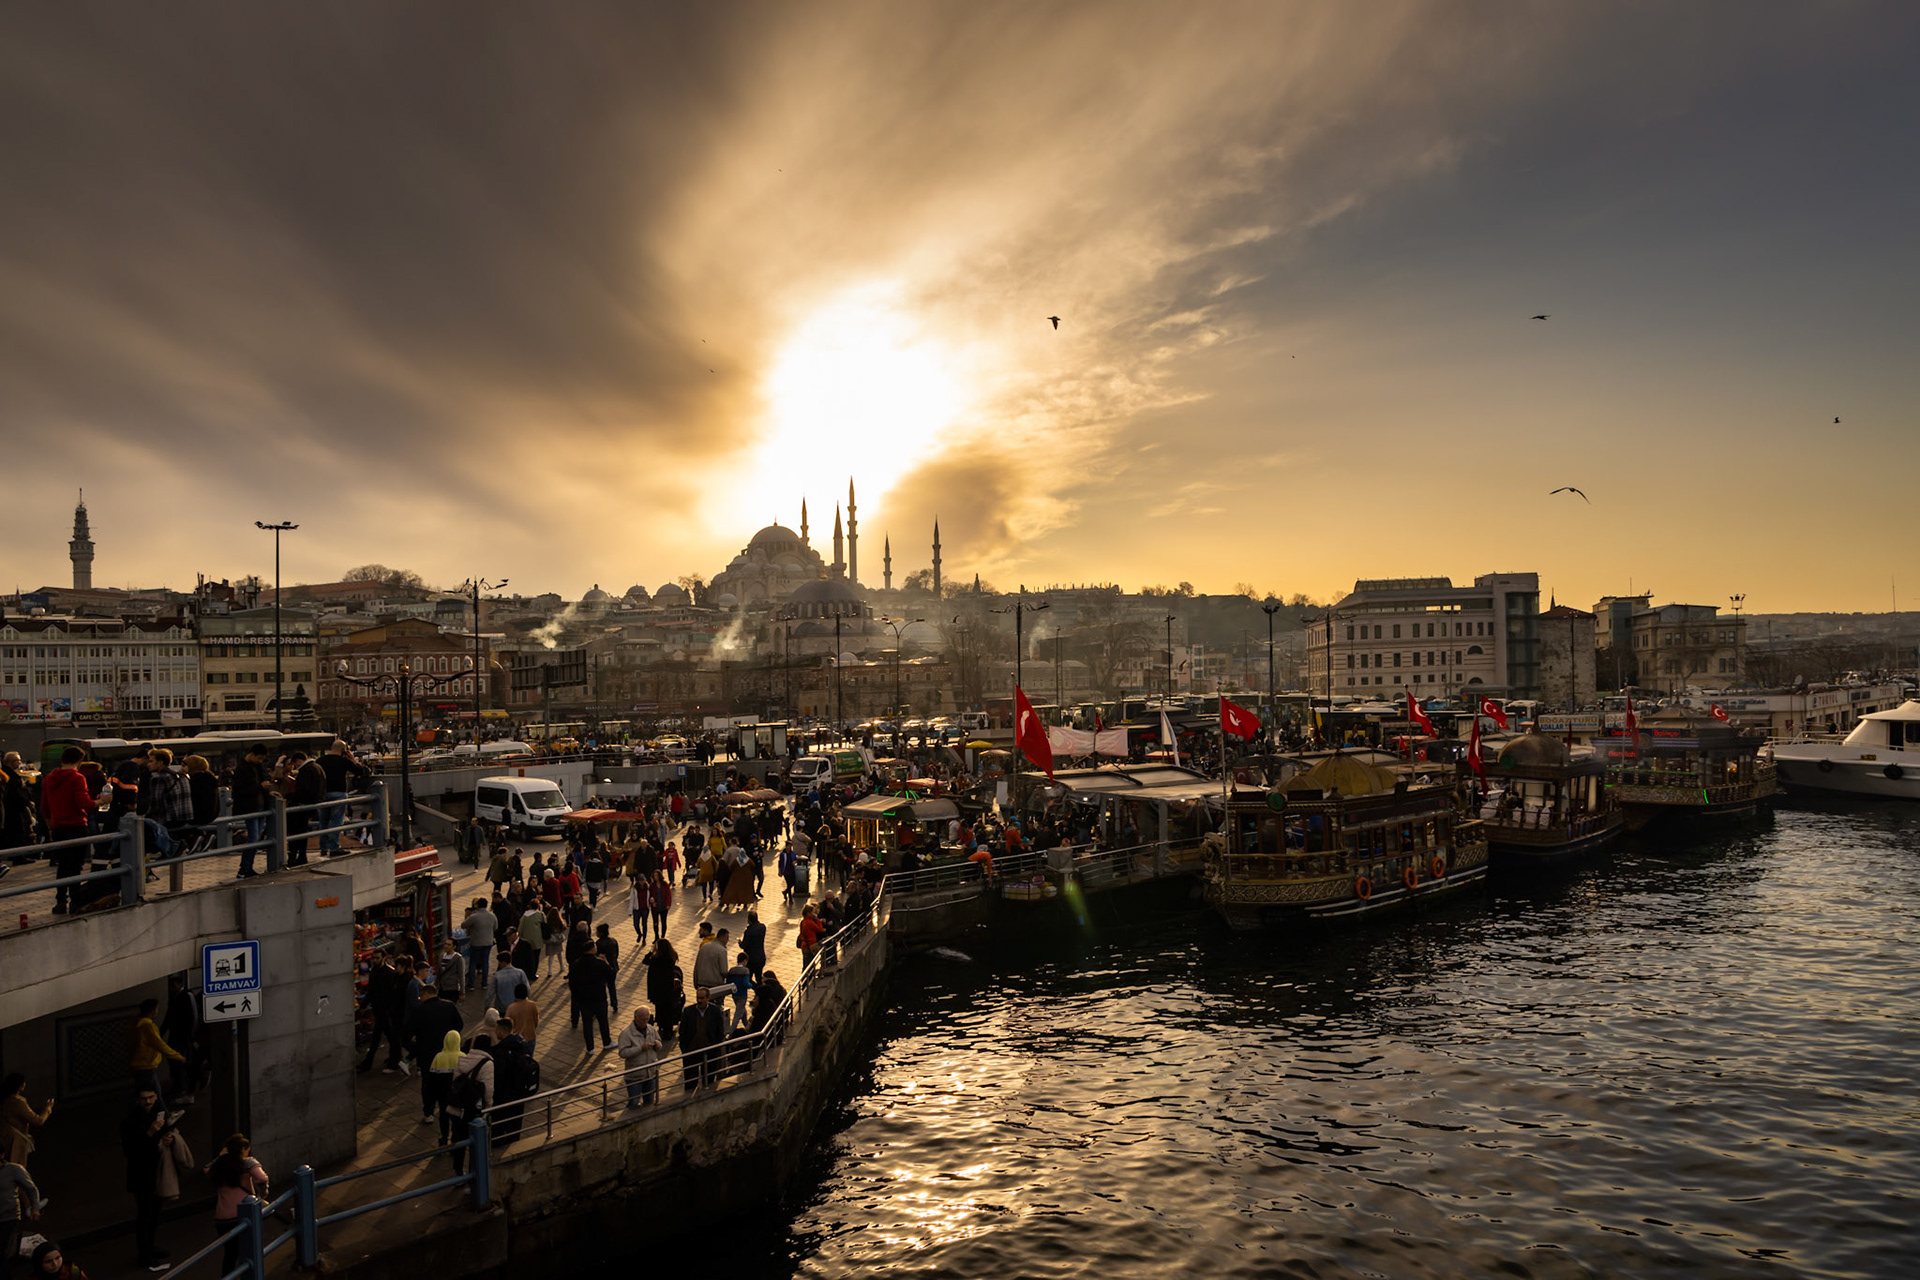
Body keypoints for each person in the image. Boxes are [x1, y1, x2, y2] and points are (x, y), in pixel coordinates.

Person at [39, 748, 95, 913]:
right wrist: (100, 801)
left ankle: (60, 901)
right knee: (76, 867)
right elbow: (83, 802)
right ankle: (75, 902)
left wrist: (50, 827)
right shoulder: (77, 778)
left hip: (58, 828)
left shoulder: (49, 779)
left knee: (63, 866)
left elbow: (44, 807)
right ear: (79, 760)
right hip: (76, 826)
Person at [203, 1134, 268, 1277]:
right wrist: (262, 1193)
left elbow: (206, 1169)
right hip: (243, 1215)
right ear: (243, 1149)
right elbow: (262, 1177)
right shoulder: (248, 1163)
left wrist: (221, 1156)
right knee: (248, 1252)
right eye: (247, 1150)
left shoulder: (219, 1166)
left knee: (230, 1254)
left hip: (221, 1218)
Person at [120, 1087, 168, 1271]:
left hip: (157, 1172)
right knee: (144, 1215)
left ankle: (151, 1247)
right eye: (143, 1098)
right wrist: (149, 1133)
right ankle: (144, 1254)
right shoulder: (130, 1122)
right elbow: (130, 1151)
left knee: (154, 1213)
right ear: (137, 1100)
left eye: (151, 1097)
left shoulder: (157, 1114)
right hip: (141, 1176)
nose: (148, 1102)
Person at [409, 986, 463, 1123]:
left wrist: (416, 1048)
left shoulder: (419, 1011)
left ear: (426, 994)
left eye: (420, 996)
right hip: (447, 1052)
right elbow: (459, 1025)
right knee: (450, 1081)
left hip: (427, 1054)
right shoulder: (449, 1006)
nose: (420, 999)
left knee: (428, 1083)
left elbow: (408, 1032)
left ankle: (429, 1112)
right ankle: (450, 1106)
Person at [447, 1035, 494, 1175]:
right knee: (476, 1143)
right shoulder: (488, 1064)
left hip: (456, 1109)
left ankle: (458, 1172)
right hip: (473, 1110)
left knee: (458, 1140)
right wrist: (488, 1107)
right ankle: (474, 1175)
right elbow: (488, 1090)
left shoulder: (462, 1058)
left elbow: (455, 1082)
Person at [128, 999, 184, 1111]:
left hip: (138, 1064)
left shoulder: (134, 1023)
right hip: (147, 1065)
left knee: (145, 1094)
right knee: (154, 1094)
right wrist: (179, 1056)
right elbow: (160, 1045)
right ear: (153, 1011)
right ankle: (164, 1117)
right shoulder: (148, 1027)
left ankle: (159, 1116)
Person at [317, 741, 370, 855]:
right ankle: (334, 848)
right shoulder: (343, 761)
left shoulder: (320, 760)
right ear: (343, 750)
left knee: (323, 821)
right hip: (338, 793)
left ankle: (323, 848)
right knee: (336, 821)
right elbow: (360, 772)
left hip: (323, 794)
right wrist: (352, 759)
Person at [358, 949, 407, 1073]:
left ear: (383, 958)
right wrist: (364, 1005)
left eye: (377, 958)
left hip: (386, 1011)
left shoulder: (389, 973)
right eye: (373, 958)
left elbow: (393, 994)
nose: (374, 960)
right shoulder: (374, 971)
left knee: (378, 1038)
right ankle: (396, 1058)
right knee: (389, 1037)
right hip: (379, 1010)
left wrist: (389, 1009)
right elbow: (371, 991)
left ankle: (370, 1063)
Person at [0, 1148, 46, 1277]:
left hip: (9, 1216)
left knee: (1, 1252)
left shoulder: (13, 1170)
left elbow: (31, 1189)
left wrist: (35, 1208)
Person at [228, 743, 271, 875]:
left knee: (255, 837)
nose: (260, 761)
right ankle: (245, 868)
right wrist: (260, 787)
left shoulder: (257, 767)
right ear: (252, 754)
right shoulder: (242, 769)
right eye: (259, 758)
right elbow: (241, 791)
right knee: (253, 838)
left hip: (260, 805)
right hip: (251, 807)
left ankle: (247, 867)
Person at [677, 987, 726, 1093]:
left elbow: (720, 1031)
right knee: (690, 1082)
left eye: (702, 998)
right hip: (691, 1051)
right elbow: (682, 1032)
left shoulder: (715, 1011)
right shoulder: (688, 1011)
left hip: (709, 1051)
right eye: (698, 998)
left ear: (708, 998)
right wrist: (684, 1049)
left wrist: (716, 1047)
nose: (699, 1001)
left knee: (709, 1080)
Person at [1, 1074, 53, 1170]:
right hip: (15, 1141)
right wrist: (47, 1109)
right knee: (17, 1170)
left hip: (5, 1139)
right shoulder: (18, 1103)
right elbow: (38, 1121)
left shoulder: (5, 1099)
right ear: (21, 1086)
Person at [614, 1007, 663, 1109]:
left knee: (649, 1102)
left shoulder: (651, 1029)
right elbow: (622, 1053)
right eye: (643, 1019)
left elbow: (659, 1043)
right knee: (633, 1103)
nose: (645, 1022)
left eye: (647, 1019)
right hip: (635, 1075)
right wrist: (640, 1048)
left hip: (650, 1073)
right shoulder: (626, 1033)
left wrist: (657, 1044)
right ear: (635, 1018)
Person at [568, 946, 613, 1051]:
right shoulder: (599, 963)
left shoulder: (576, 964)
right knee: (603, 1021)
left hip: (584, 999)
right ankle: (606, 1042)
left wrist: (577, 996)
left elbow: (572, 983)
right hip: (599, 997)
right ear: (592, 949)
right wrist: (606, 961)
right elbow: (611, 974)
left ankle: (590, 1048)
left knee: (587, 1023)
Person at [161, 977, 197, 1103]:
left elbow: (193, 1017)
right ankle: (179, 1086)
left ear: (180, 984)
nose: (171, 988)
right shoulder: (174, 998)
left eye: (173, 985)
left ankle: (183, 1088)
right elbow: (168, 1018)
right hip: (176, 1035)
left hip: (184, 1036)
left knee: (183, 1061)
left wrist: (192, 1036)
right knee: (175, 1061)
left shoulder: (186, 996)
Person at [643, 939, 684, 1043]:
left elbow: (645, 960)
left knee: (660, 1009)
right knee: (668, 1010)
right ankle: (668, 1031)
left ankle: (662, 1028)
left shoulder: (655, 959)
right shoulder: (671, 958)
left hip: (657, 988)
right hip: (668, 987)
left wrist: (651, 951)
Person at [461, 899, 497, 995]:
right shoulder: (492, 915)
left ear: (477, 905)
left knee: (473, 962)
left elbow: (463, 925)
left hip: (476, 942)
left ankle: (471, 984)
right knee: (485, 961)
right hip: (488, 942)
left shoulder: (474, 916)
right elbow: (496, 927)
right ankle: (484, 983)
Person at [489, 952, 528, 1018]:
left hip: (501, 1007)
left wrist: (487, 1006)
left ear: (503, 962)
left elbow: (490, 993)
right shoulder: (520, 973)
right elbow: (527, 989)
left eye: (499, 963)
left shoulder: (497, 975)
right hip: (517, 1005)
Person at [594, 923, 621, 1015]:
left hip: (603, 969)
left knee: (601, 987)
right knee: (612, 986)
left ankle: (600, 1006)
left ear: (600, 933)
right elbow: (617, 954)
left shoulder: (598, 943)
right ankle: (614, 1003)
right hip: (613, 967)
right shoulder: (613, 941)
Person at [516, 902, 546, 981]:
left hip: (526, 940)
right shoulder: (540, 915)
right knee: (536, 957)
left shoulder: (524, 916)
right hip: (537, 939)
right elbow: (545, 924)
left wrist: (518, 937)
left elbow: (520, 928)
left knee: (527, 958)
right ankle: (533, 974)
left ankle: (526, 972)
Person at [725, 951, 753, 1032]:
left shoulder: (732, 970)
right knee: (738, 1014)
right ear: (745, 961)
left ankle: (748, 1027)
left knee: (742, 1011)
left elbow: (728, 983)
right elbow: (745, 984)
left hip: (734, 994)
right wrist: (751, 986)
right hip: (742, 995)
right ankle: (731, 1032)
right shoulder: (745, 970)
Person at [742, 910, 767, 983]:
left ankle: (756, 988)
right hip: (761, 956)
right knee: (759, 977)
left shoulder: (748, 931)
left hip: (751, 959)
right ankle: (760, 991)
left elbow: (744, 945)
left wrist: (740, 943)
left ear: (749, 920)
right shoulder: (762, 927)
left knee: (748, 978)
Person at [648, 871, 672, 942]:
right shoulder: (652, 885)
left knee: (663, 922)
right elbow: (649, 895)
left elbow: (668, 895)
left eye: (657, 876)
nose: (656, 877)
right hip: (655, 907)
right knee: (655, 922)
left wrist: (668, 904)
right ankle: (656, 936)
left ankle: (663, 937)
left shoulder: (665, 884)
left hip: (663, 906)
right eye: (654, 876)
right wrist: (651, 902)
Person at [628, 873, 651, 944]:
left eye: (643, 880)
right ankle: (639, 934)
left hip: (645, 908)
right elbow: (632, 900)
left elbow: (650, 897)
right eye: (640, 880)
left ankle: (644, 939)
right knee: (636, 924)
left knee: (644, 924)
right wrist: (630, 911)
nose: (642, 882)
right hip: (637, 909)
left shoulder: (647, 888)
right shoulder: (634, 889)